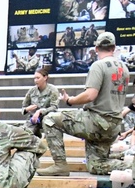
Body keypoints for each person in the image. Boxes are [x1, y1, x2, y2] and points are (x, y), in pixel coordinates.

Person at [39, 31, 129, 176]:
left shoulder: (98, 65)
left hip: (96, 122)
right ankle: (134, 164)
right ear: (113, 48)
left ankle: (60, 165)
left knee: (50, 119)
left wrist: (70, 100)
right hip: (113, 126)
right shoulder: (124, 68)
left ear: (96, 48)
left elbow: (90, 95)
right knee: (96, 166)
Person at [20, 66, 60, 137]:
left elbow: (54, 107)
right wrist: (27, 109)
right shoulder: (32, 91)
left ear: (45, 77)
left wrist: (40, 111)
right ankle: (36, 134)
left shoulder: (52, 90)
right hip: (33, 119)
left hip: (48, 118)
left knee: (52, 136)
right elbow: (23, 107)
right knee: (24, 135)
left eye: (38, 78)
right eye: (34, 78)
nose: (36, 80)